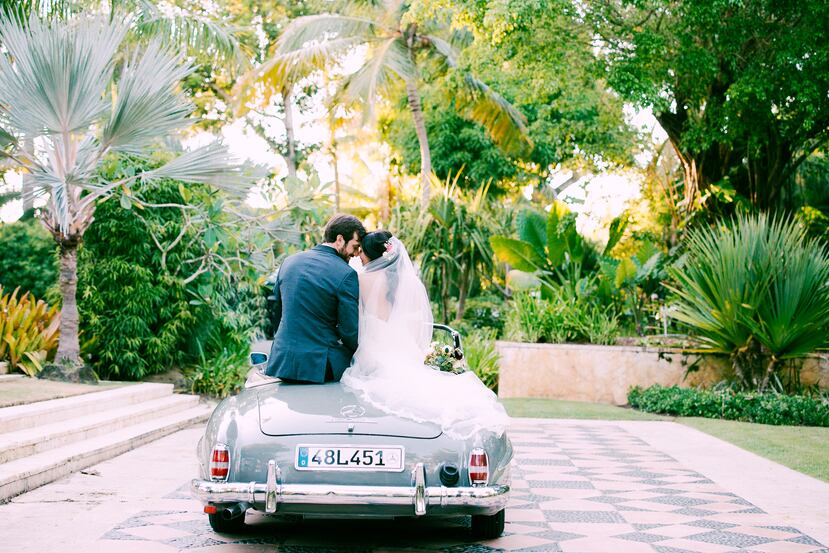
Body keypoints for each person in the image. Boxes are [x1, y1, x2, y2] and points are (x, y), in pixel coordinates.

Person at [341, 230, 510, 439]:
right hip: (402, 346)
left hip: (373, 345)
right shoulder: (409, 282)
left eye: (362, 252)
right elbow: (416, 324)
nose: (359, 256)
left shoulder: (360, 279)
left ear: (371, 254)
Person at [265, 214, 366, 383]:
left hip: (282, 363)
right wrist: (365, 355)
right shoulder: (346, 274)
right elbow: (349, 331)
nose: (356, 254)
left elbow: (278, 311)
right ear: (340, 239)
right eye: (355, 247)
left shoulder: (289, 262)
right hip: (320, 367)